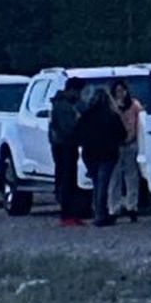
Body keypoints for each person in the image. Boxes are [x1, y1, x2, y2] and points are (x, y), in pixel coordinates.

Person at [78, 87, 127, 227]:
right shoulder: (112, 116)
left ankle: (99, 212)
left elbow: (78, 133)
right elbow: (122, 134)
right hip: (107, 154)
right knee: (103, 185)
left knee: (97, 184)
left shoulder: (86, 116)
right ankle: (101, 214)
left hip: (90, 154)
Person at [49, 78, 84, 227]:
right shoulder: (64, 106)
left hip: (64, 146)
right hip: (65, 147)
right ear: (72, 90)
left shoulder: (63, 104)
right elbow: (68, 128)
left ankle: (71, 214)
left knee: (69, 180)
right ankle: (67, 215)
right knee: (67, 180)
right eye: (78, 91)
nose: (80, 95)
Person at [108, 80, 144, 221]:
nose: (120, 94)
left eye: (122, 90)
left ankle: (132, 206)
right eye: (117, 91)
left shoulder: (134, 105)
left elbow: (141, 119)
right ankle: (114, 208)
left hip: (131, 144)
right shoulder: (110, 106)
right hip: (115, 145)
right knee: (115, 178)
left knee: (132, 177)